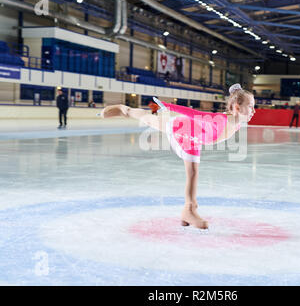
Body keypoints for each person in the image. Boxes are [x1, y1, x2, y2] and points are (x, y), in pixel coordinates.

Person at [100, 83, 255, 229]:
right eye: (251, 107)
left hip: (194, 139)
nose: (254, 111)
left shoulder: (237, 123)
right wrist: (169, 106)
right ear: (236, 107)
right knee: (149, 119)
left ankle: (188, 211)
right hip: (182, 129)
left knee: (193, 172)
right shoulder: (220, 121)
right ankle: (123, 109)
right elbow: (196, 114)